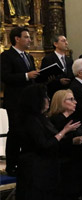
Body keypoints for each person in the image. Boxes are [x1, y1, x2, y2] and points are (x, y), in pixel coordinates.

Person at [16, 84, 80, 200]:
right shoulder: (31, 120)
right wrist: (64, 131)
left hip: (46, 169)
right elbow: (44, 145)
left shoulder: (41, 118)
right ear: (37, 100)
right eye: (45, 97)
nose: (48, 99)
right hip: (35, 171)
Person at [1, 26, 39, 175]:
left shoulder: (28, 57)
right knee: (16, 133)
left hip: (29, 101)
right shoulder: (7, 56)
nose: (30, 39)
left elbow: (32, 77)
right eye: (27, 37)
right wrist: (26, 76)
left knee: (29, 132)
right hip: (15, 101)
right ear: (17, 39)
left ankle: (26, 162)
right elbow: (5, 77)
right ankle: (11, 165)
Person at [48, 89, 82, 200]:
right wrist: (72, 141)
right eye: (71, 99)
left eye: (74, 99)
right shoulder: (53, 121)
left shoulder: (75, 119)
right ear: (60, 102)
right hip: (64, 167)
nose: (75, 102)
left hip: (78, 164)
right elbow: (52, 144)